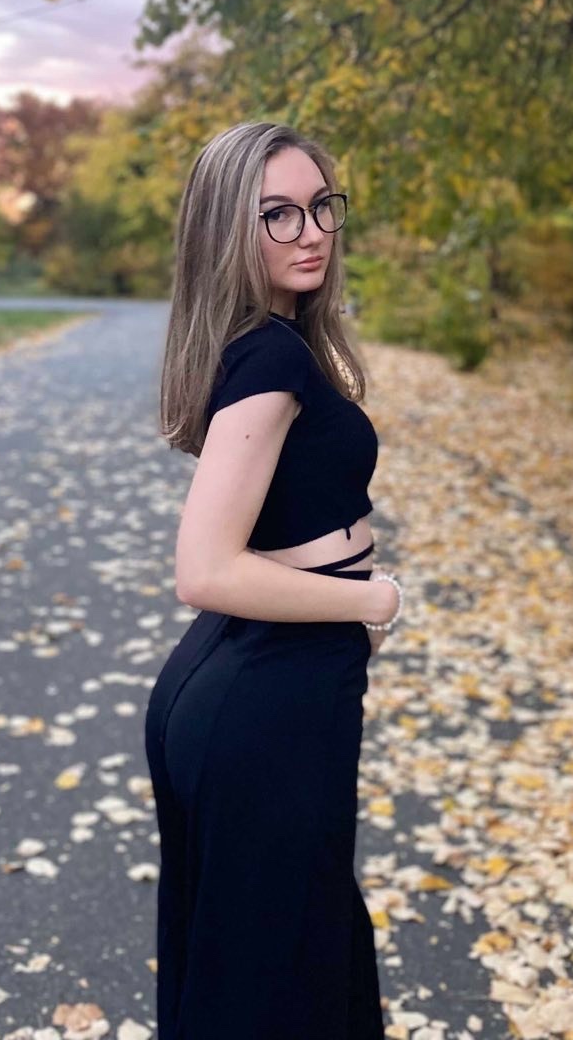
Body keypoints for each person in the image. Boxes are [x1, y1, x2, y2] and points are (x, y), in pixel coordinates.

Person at [144, 121, 405, 1040]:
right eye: (278, 215)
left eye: (322, 206)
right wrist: (371, 600)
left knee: (273, 969)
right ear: (229, 230)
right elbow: (205, 568)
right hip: (267, 701)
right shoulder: (271, 359)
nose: (312, 232)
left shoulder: (267, 344)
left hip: (256, 686)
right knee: (278, 988)